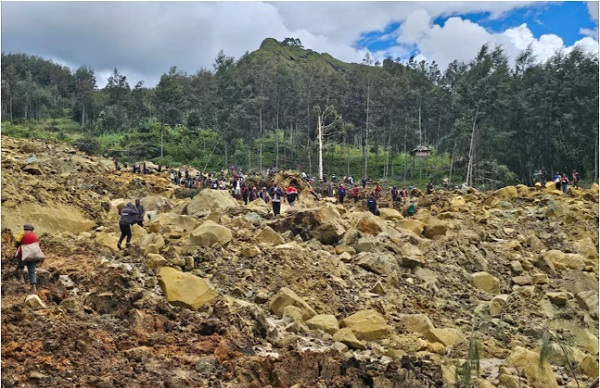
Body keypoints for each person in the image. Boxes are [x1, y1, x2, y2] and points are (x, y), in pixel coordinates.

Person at [15, 224, 43, 292]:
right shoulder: (34, 235)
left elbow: (17, 242)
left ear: (25, 228)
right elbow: (38, 244)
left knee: (20, 267)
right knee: (32, 271)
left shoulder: (23, 233)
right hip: (33, 255)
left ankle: (22, 282)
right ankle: (34, 288)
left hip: (23, 253)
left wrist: (17, 246)